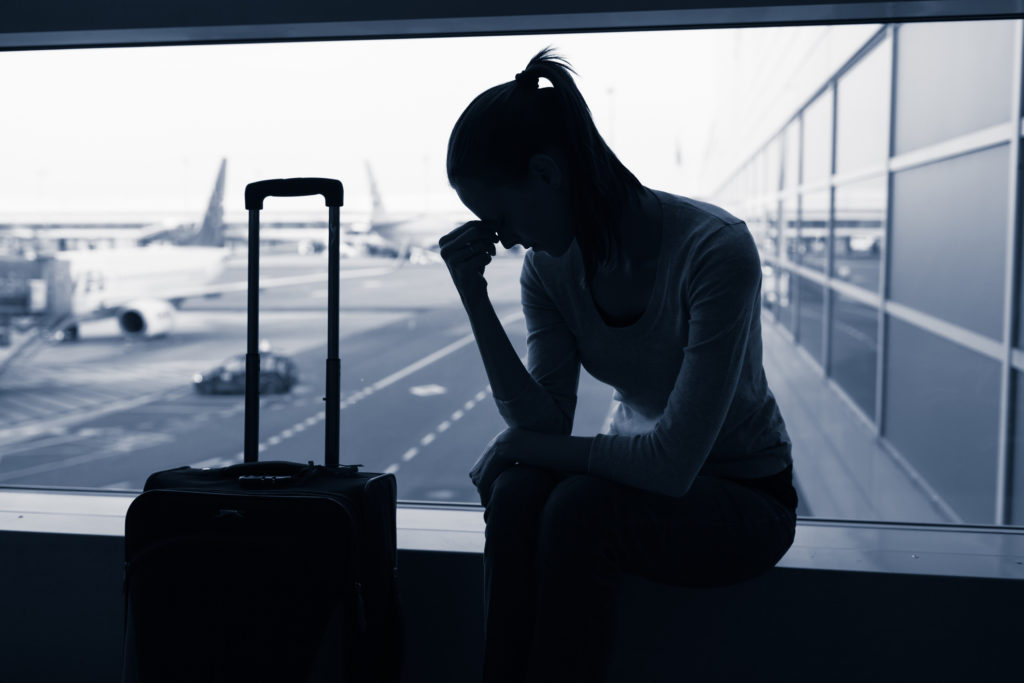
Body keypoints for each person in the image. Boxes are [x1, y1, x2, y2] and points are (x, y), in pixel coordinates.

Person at [439, 48, 798, 683]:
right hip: (631, 486)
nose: (509, 239)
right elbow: (546, 426)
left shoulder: (714, 250)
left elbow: (670, 466)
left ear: (547, 174)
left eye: (501, 218)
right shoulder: (548, 268)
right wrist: (473, 294)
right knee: (519, 488)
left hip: (747, 500)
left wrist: (517, 443)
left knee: (578, 507)